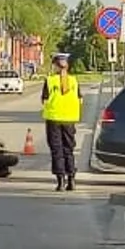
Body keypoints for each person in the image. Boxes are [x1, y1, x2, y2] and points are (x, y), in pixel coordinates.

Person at [41, 52, 83, 191]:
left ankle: (60, 181)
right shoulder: (74, 81)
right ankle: (72, 180)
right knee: (68, 150)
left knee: (57, 150)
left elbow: (44, 100)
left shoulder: (50, 80)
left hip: (54, 119)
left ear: (55, 66)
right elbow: (80, 99)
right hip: (70, 120)